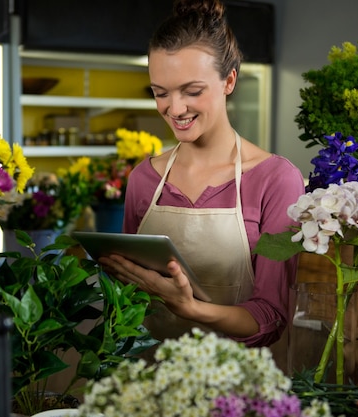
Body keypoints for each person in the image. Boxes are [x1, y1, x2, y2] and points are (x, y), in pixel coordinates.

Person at [97, 0, 305, 347]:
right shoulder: (144, 179)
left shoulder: (275, 180)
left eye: (192, 92)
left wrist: (188, 307)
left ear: (229, 81)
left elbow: (271, 317)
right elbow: (127, 303)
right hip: (146, 380)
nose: (175, 109)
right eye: (160, 93)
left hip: (238, 388)